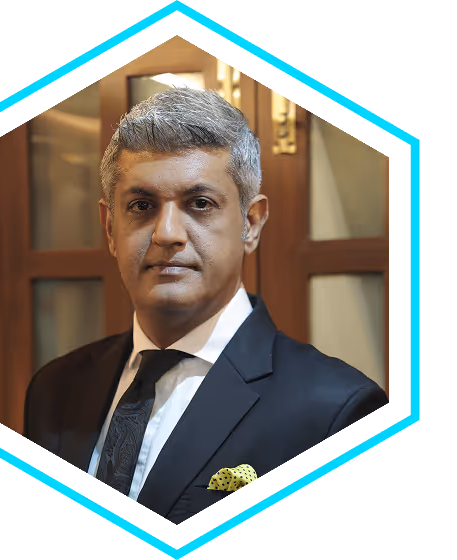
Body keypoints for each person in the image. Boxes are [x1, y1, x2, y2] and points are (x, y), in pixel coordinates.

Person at [23, 87, 389, 523]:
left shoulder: (336, 411)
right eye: (141, 205)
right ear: (109, 228)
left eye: (200, 204)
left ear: (251, 223)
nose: (167, 233)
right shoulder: (55, 388)